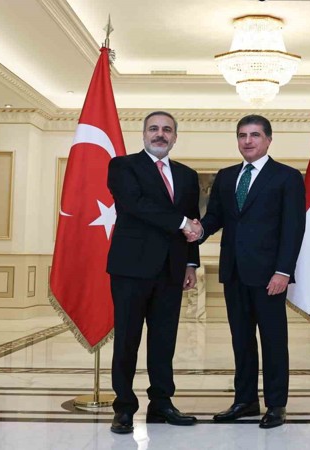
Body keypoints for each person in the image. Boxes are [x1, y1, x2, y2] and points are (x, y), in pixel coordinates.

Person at [187, 114, 306, 428]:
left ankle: (276, 404)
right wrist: (199, 231)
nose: (248, 141)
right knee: (241, 340)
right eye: (242, 135)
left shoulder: (287, 177)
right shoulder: (226, 177)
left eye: (255, 135)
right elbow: (215, 217)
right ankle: (245, 400)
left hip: (269, 276)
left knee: (273, 340)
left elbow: (293, 227)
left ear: (268, 139)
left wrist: (283, 271)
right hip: (234, 272)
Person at [106, 111, 203, 433]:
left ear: (175, 137)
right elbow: (135, 204)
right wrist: (182, 222)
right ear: (144, 134)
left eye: (167, 130)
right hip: (131, 269)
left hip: (171, 270)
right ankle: (124, 407)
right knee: (127, 340)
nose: (160, 134)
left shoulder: (187, 175)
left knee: (164, 341)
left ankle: (161, 403)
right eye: (154, 129)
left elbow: (191, 221)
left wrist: (190, 263)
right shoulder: (122, 166)